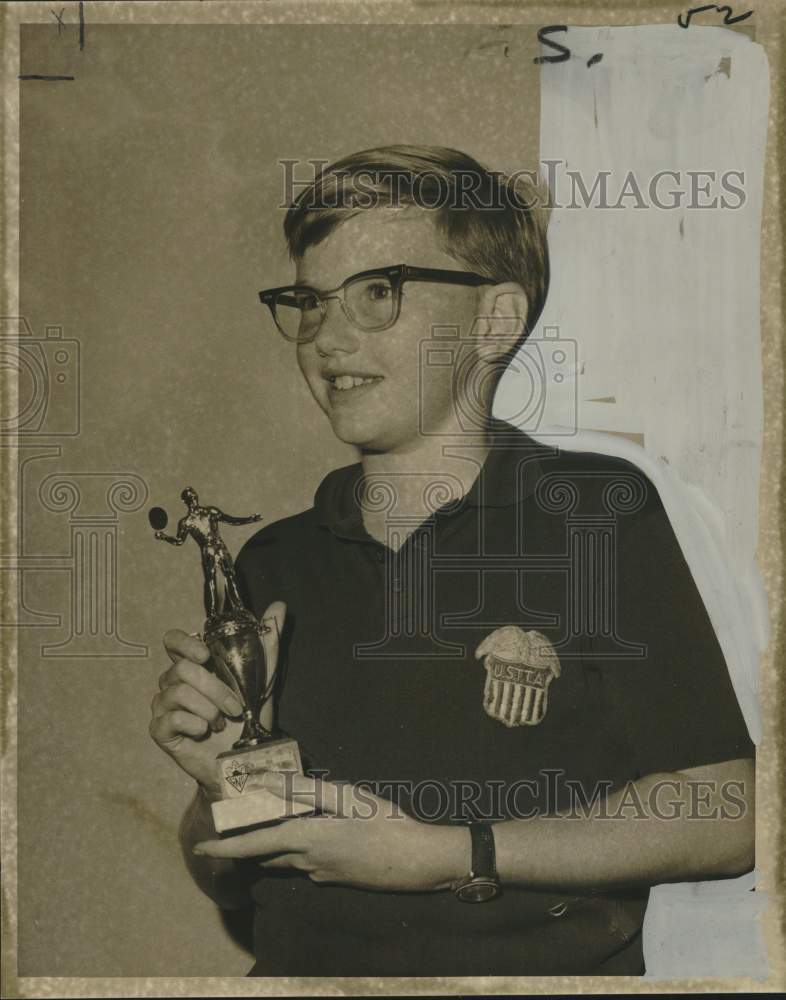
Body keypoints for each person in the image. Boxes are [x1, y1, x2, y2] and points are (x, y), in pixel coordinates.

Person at [149, 146, 754, 976]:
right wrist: (222, 789)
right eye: (309, 302)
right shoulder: (274, 561)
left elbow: (732, 814)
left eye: (375, 293)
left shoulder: (593, 513)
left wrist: (450, 853)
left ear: (494, 320)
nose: (326, 337)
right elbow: (230, 886)